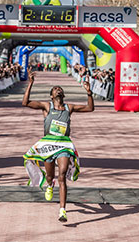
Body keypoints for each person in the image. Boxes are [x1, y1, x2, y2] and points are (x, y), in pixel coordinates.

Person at [22, 68, 94, 222]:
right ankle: (49, 185)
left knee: (62, 175)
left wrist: (89, 93)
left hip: (64, 145)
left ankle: (62, 210)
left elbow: (90, 108)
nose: (58, 89)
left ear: (63, 94)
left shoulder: (70, 108)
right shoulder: (47, 107)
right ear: (51, 96)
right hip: (48, 143)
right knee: (50, 175)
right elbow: (25, 103)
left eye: (59, 88)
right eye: (55, 89)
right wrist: (30, 84)